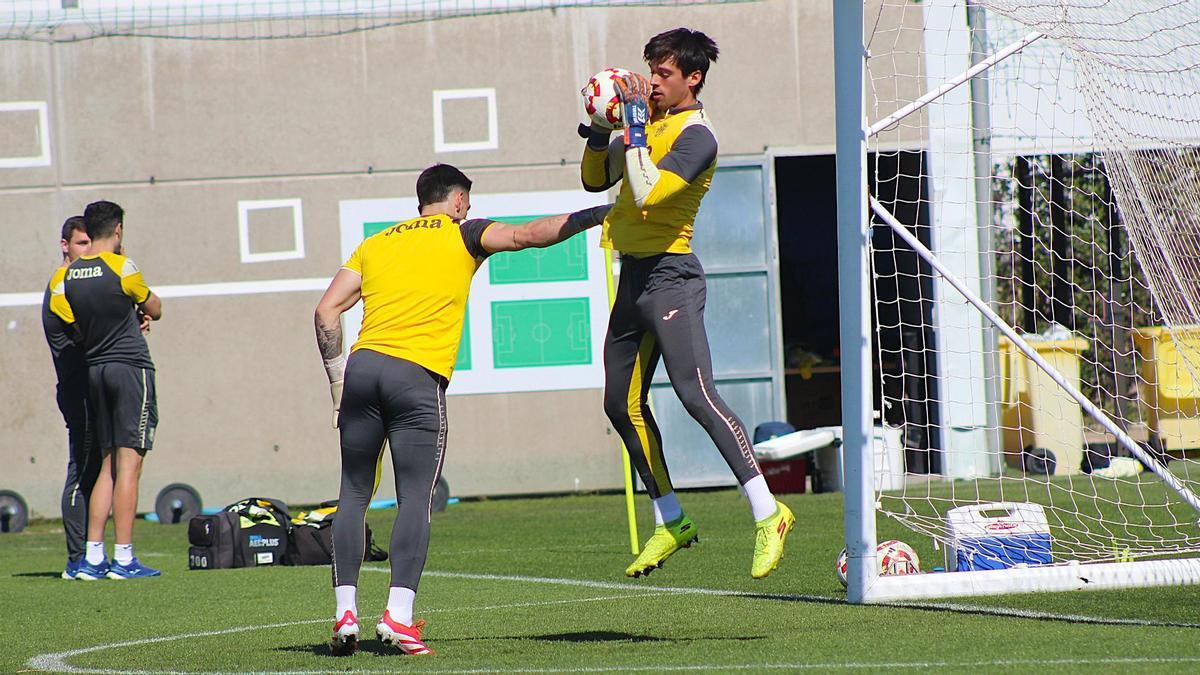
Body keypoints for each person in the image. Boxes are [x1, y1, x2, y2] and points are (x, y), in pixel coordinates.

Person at [315, 163, 611, 656]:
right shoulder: (462, 233)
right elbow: (529, 235)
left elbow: (326, 310)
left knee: (353, 492)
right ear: (457, 201)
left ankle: (346, 613)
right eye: (467, 203)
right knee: (415, 497)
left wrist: (336, 384)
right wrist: (597, 214)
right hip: (415, 376)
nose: (468, 210)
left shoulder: (376, 243)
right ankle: (397, 617)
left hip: (362, 371)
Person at [579, 27, 794, 580]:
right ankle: (671, 519)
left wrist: (631, 126)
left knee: (696, 395)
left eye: (664, 73)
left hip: (672, 278)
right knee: (619, 405)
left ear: (692, 78)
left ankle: (769, 512)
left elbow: (649, 191)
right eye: (651, 70)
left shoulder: (698, 136)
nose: (652, 81)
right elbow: (594, 180)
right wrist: (600, 130)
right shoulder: (647, 121)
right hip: (634, 278)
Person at [50, 200, 163, 580]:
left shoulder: (67, 276)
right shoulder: (122, 267)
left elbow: (76, 322)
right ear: (117, 230)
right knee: (130, 463)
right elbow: (155, 307)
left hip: (95, 370)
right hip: (130, 368)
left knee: (107, 463)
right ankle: (125, 558)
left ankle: (93, 557)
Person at [42, 217, 99, 580]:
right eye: (81, 243)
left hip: (90, 388)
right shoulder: (62, 284)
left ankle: (91, 554)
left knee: (95, 469)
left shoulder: (82, 284)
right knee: (81, 469)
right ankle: (77, 559)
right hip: (77, 390)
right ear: (65, 245)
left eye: (91, 243)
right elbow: (88, 331)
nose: (88, 251)